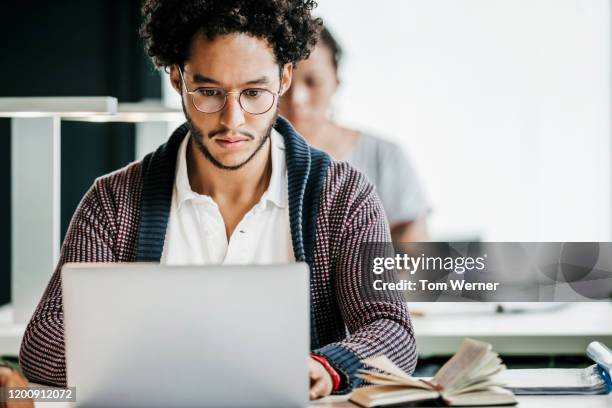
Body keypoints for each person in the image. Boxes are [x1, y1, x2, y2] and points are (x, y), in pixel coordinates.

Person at [19, 0, 417, 400]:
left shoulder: (344, 196)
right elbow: (43, 340)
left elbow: (391, 329)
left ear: (284, 77)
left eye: (254, 93)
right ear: (177, 79)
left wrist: (329, 367)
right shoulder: (113, 201)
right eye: (208, 92)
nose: (233, 120)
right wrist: (183, 364)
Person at [280, 27, 430, 242]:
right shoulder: (245, 157)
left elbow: (416, 257)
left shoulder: (384, 157)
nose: (297, 98)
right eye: (285, 82)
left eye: (313, 82)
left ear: (336, 83)